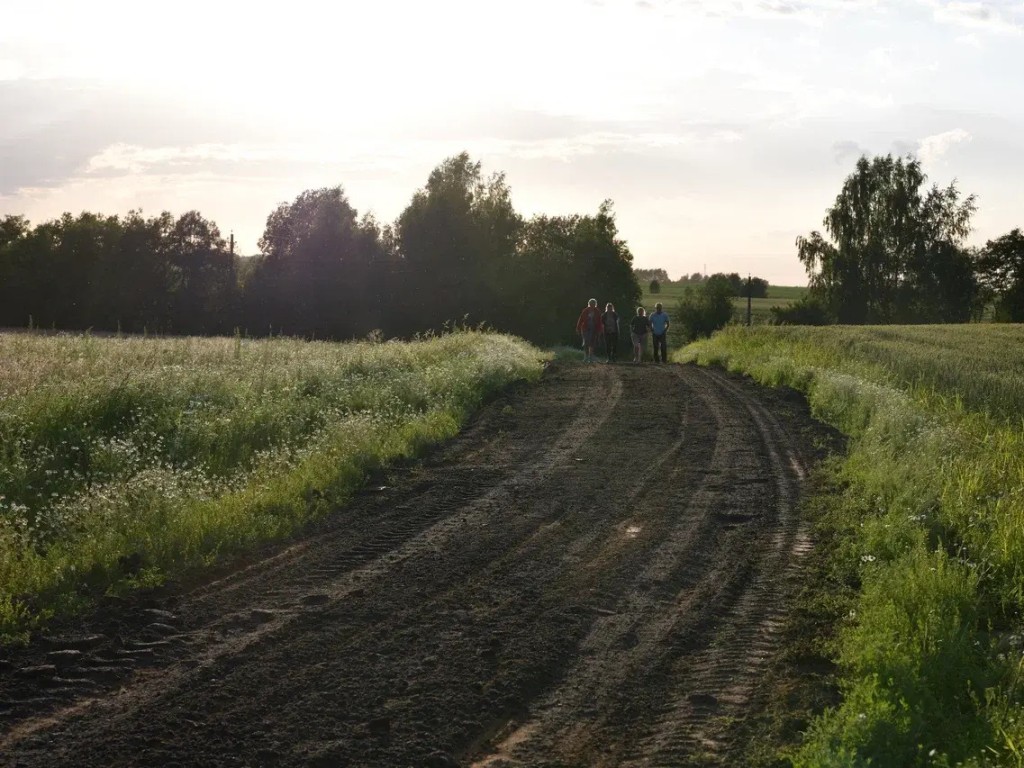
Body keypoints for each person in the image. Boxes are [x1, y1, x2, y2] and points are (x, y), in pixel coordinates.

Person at [576, 298, 603, 363]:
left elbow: (600, 322)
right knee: (586, 342)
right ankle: (586, 356)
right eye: (591, 304)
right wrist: (578, 328)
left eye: (593, 304)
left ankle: (590, 357)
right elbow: (580, 319)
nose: (592, 305)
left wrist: (600, 330)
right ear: (589, 304)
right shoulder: (585, 311)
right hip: (585, 329)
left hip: (594, 329)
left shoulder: (597, 311)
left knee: (592, 343)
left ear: (595, 304)